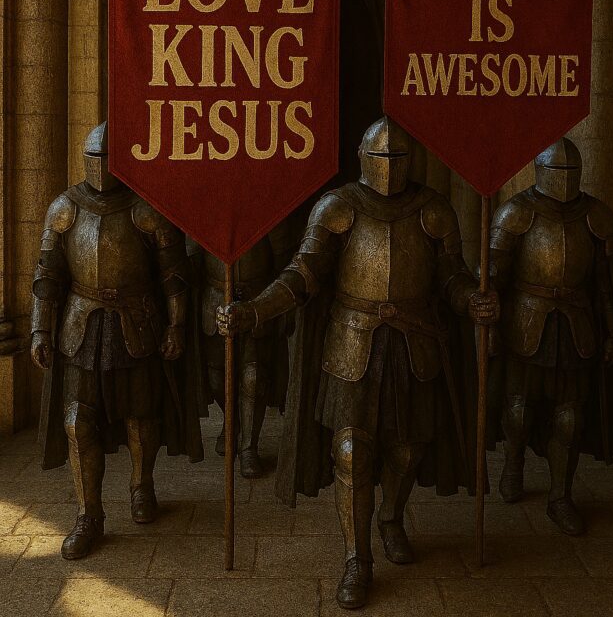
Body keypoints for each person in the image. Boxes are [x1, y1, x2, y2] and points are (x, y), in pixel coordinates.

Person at [218, 116, 498, 609]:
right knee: (351, 452)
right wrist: (254, 310)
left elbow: (451, 276)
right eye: (381, 157)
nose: (389, 166)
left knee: (407, 450)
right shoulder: (338, 207)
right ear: (364, 158)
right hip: (351, 343)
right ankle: (356, 557)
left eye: (398, 158)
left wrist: (470, 300)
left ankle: (390, 516)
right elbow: (302, 274)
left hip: (415, 344)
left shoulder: (433, 210)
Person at [30, 121, 200, 559]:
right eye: (96, 158)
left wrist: (176, 324)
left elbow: (174, 276)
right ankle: (89, 514)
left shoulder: (146, 207)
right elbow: (47, 276)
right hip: (81, 325)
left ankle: (142, 485)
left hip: (137, 322)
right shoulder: (64, 208)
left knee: (140, 416)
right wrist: (38, 328)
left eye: (109, 159)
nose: (102, 167)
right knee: (77, 421)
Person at [489, 137, 613, 535]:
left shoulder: (595, 216)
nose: (563, 179)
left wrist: (611, 333)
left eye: (569, 172)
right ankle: (514, 461)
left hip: (577, 325)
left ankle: (560, 495)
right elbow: (496, 276)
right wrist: (485, 306)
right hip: (526, 321)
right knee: (518, 409)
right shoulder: (516, 212)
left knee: (570, 417)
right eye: (557, 171)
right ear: (540, 171)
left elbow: (606, 285)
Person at [187, 233, 290, 476]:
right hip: (215, 300)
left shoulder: (267, 209)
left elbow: (284, 260)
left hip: (258, 300)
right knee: (215, 377)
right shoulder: (208, 206)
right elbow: (193, 253)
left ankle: (248, 447)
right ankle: (232, 421)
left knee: (254, 379)